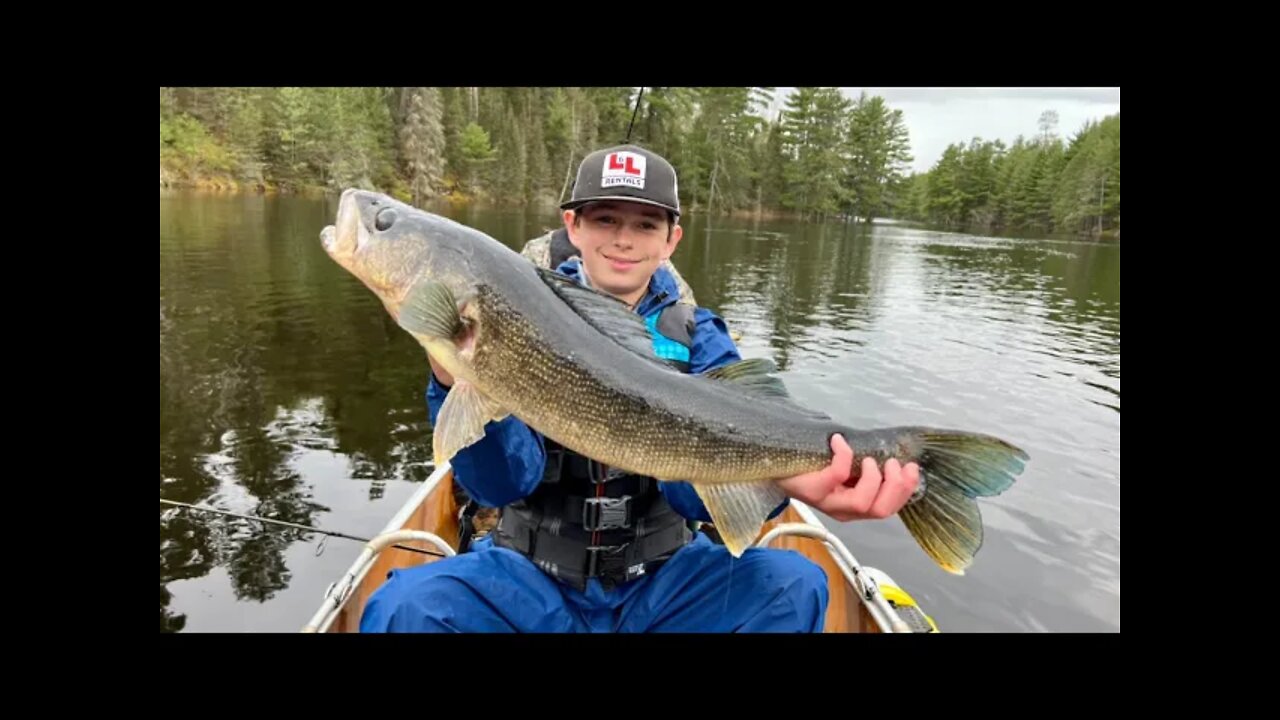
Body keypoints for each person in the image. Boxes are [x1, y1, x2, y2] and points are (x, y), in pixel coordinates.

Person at [359, 143, 920, 633]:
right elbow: (501, 484)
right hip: (530, 581)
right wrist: (450, 371)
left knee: (794, 585)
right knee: (406, 608)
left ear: (671, 238)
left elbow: (693, 498)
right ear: (572, 226)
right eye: (605, 219)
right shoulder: (514, 311)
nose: (623, 240)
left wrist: (791, 480)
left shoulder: (702, 337)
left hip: (666, 583)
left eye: (645, 224)